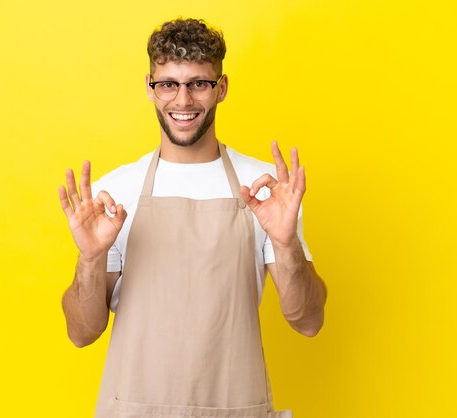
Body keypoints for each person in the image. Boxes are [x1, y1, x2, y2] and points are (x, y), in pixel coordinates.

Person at [59, 18, 327, 418]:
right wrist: (91, 257)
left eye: (198, 83)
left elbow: (308, 321)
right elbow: (82, 333)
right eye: (168, 83)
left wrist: (286, 244)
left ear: (221, 88)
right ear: (149, 87)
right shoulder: (115, 193)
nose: (182, 100)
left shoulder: (266, 190)